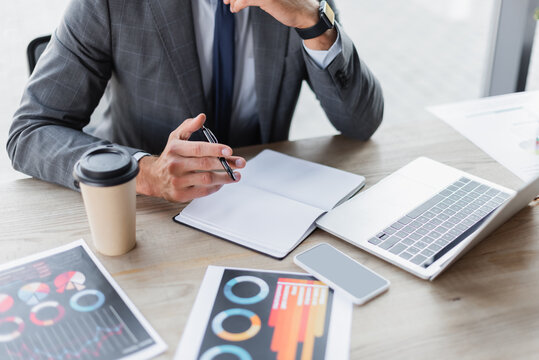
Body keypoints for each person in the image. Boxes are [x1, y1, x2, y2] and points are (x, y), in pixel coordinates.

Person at [7, 0, 383, 203]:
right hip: (150, 212)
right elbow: (30, 132)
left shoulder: (302, 3)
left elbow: (360, 123)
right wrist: (146, 173)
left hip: (262, 205)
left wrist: (313, 21)